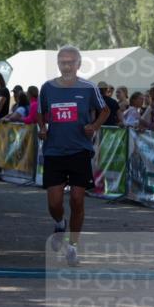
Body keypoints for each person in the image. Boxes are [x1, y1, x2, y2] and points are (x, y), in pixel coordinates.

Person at [37, 46, 109, 266]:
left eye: (70, 62)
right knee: (54, 202)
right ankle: (60, 223)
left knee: (78, 200)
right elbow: (41, 112)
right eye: (62, 62)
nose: (66, 66)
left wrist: (94, 126)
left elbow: (105, 110)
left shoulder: (89, 87)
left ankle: (73, 246)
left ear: (78, 64)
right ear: (58, 64)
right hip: (54, 151)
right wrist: (42, 127)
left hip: (79, 151)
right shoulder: (47, 88)